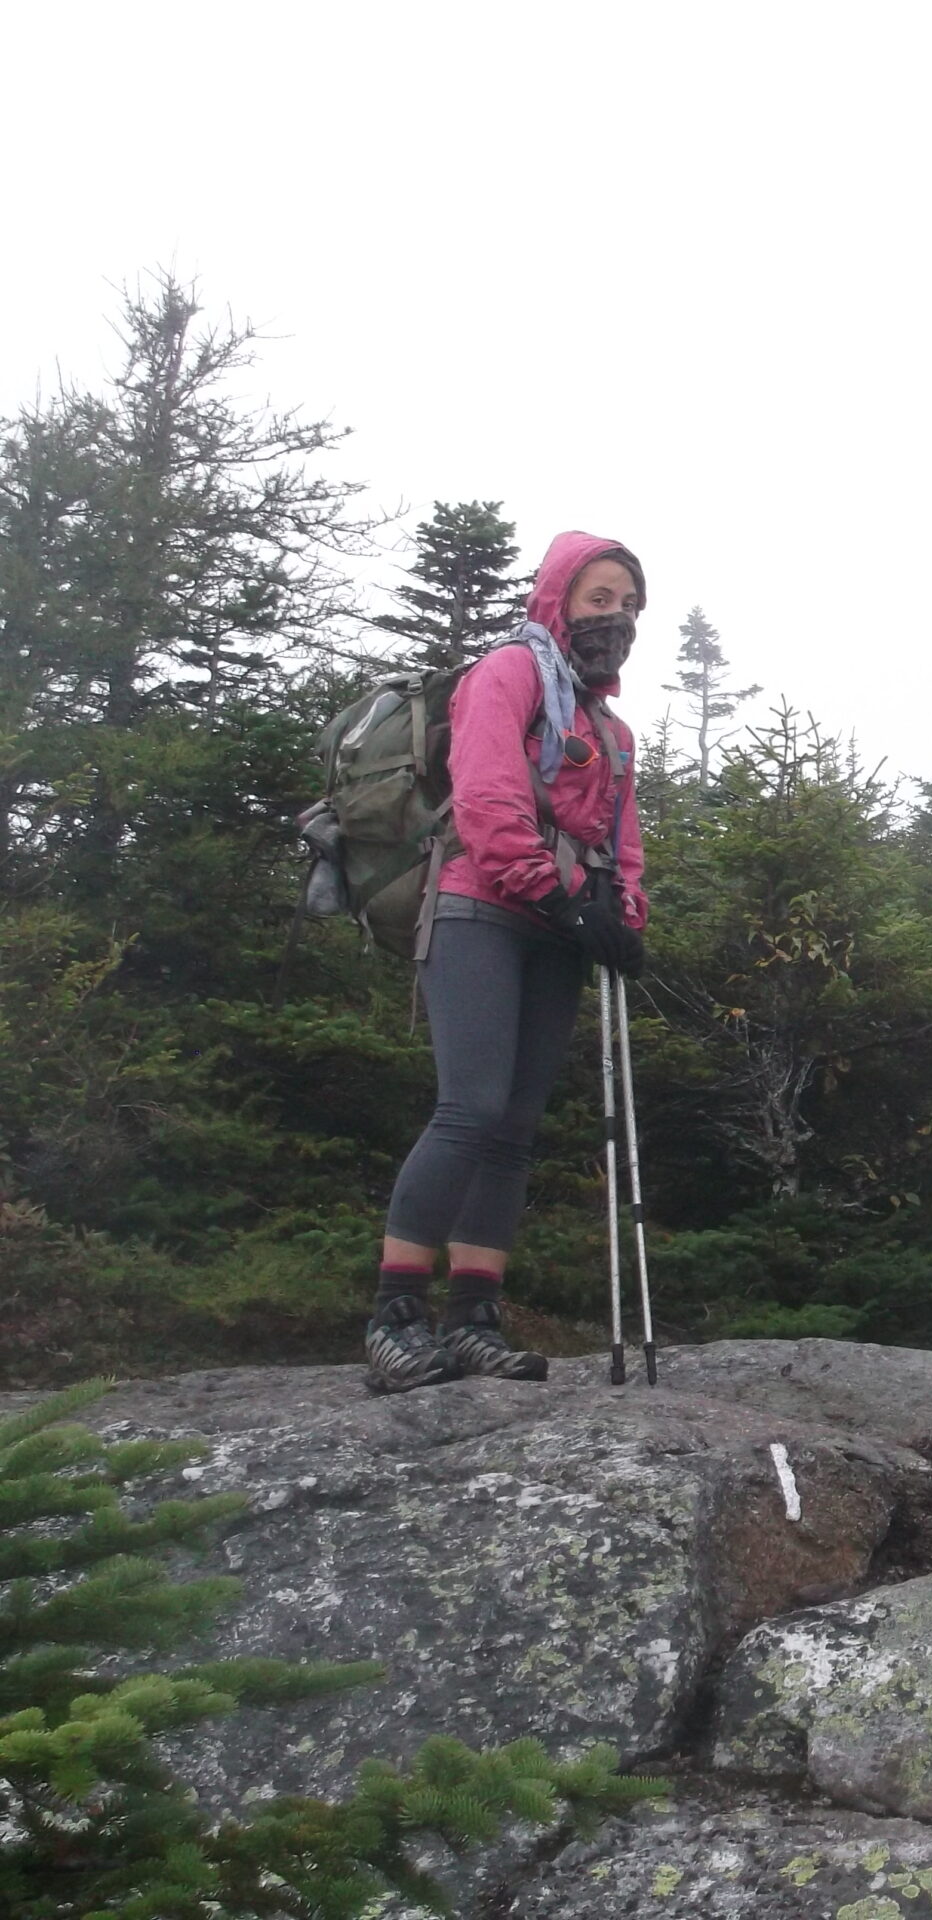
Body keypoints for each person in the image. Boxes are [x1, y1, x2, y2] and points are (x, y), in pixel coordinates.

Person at [365, 531, 651, 1393]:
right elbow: (487, 795)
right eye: (600, 599)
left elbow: (620, 844)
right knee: (472, 1108)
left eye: (629, 606)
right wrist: (555, 895)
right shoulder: (510, 674)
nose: (617, 618)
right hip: (478, 910)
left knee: (515, 1127)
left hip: (556, 929)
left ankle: (473, 1320)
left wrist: (620, 917)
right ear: (558, 597)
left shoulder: (610, 728)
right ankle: (395, 1319)